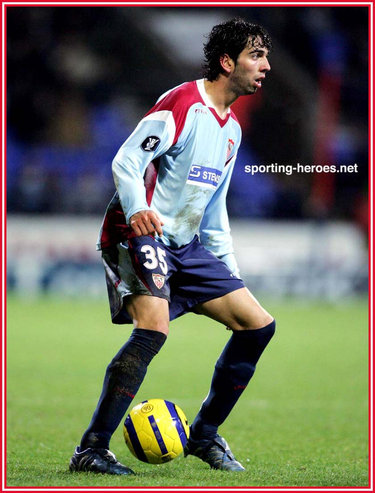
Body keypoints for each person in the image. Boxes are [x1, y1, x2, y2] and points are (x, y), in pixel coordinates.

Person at [70, 17, 275, 475]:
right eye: (256, 55)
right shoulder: (182, 103)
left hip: (184, 243)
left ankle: (202, 436)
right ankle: (92, 449)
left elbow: (214, 209)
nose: (266, 66)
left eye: (266, 56)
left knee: (257, 326)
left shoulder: (231, 130)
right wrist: (138, 207)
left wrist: (228, 269)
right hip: (138, 232)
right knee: (155, 327)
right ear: (227, 61)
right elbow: (127, 160)